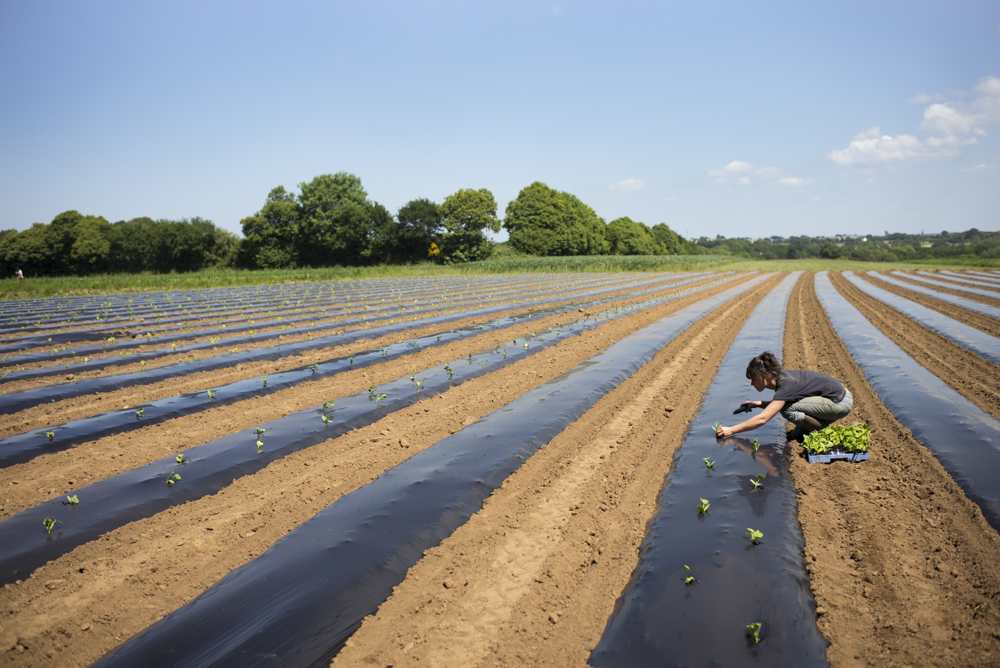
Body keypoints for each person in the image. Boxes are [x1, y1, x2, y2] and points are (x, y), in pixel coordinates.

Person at [715, 351, 852, 440]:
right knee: (797, 436)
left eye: (755, 379)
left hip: (839, 402)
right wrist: (757, 404)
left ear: (766, 376)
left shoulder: (786, 384)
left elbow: (763, 419)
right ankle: (822, 428)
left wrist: (732, 430)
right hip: (834, 398)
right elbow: (779, 403)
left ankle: (829, 433)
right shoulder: (781, 379)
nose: (752, 384)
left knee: (787, 410)